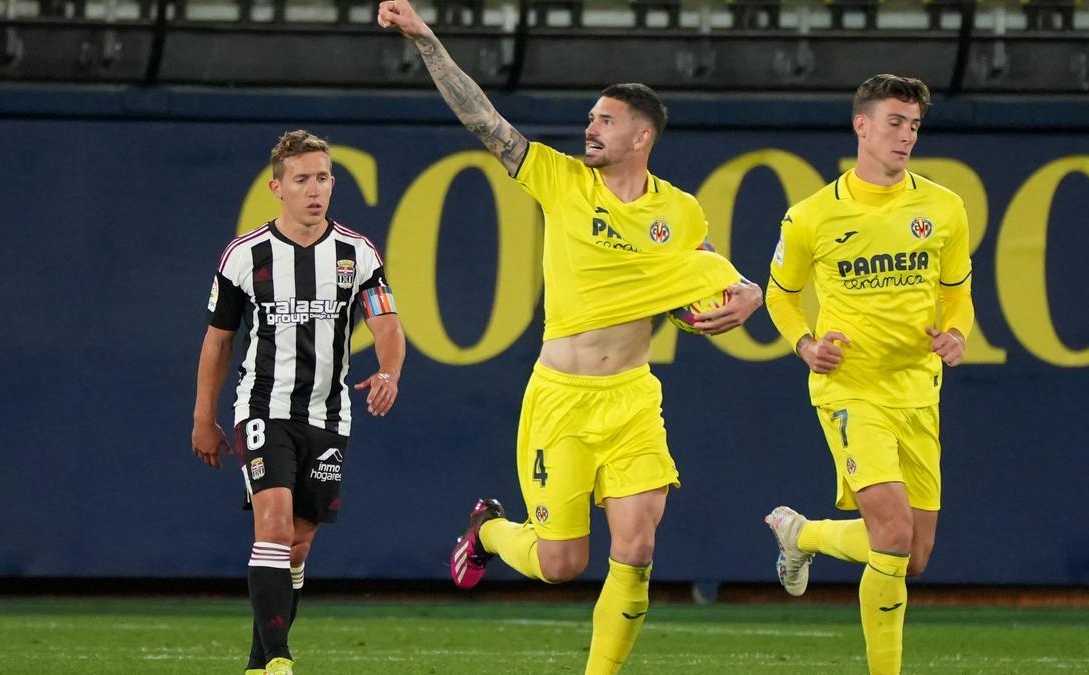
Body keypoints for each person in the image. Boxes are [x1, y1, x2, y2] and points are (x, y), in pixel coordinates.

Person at [379, 3, 763, 672]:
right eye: (590, 118)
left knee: (637, 549)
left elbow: (691, 281)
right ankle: (490, 531)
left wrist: (746, 296)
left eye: (603, 120)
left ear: (641, 136)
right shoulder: (561, 181)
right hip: (561, 398)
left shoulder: (679, 209)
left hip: (632, 400)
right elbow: (483, 121)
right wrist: (427, 41)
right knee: (561, 562)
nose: (589, 128)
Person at [762, 74, 973, 675]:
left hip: (918, 391)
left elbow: (958, 293)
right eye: (894, 123)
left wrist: (956, 334)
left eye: (913, 125)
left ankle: (802, 536)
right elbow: (781, 296)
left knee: (913, 557)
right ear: (862, 126)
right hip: (850, 389)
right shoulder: (810, 217)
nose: (906, 136)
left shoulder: (942, 207)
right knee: (892, 531)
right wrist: (805, 345)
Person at [191, 129, 405, 675]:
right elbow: (218, 340)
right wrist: (203, 417)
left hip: (329, 413)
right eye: (303, 179)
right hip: (262, 407)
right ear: (277, 187)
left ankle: (256, 663)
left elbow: (386, 323)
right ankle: (282, 660)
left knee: (299, 547)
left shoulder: (357, 253)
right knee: (275, 525)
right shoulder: (245, 255)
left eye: (324, 178)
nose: (316, 189)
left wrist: (389, 371)